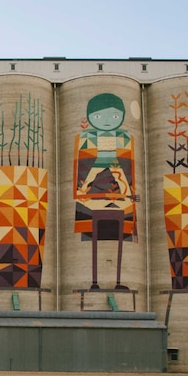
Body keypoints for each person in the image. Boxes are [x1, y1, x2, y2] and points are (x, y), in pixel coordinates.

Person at [73, 92, 138, 290]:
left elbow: (128, 166)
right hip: (92, 199)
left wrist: (127, 191)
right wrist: (83, 190)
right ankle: (94, 282)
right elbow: (81, 167)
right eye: (100, 117)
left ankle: (118, 281)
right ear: (91, 117)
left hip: (120, 198)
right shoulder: (85, 137)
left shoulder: (126, 138)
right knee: (92, 239)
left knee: (120, 238)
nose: (108, 121)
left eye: (115, 116)